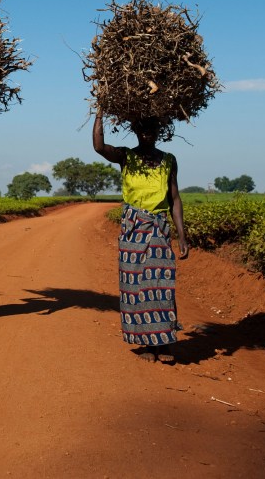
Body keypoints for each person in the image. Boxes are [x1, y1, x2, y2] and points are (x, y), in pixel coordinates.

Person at [93, 110, 189, 363]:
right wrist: (99, 113)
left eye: (152, 131)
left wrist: (182, 235)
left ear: (160, 133)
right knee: (135, 287)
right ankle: (146, 342)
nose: (147, 135)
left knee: (161, 285)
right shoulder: (126, 156)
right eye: (143, 131)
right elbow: (99, 147)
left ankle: (165, 342)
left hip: (159, 228)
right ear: (136, 132)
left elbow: (175, 198)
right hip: (133, 229)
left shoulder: (169, 160)